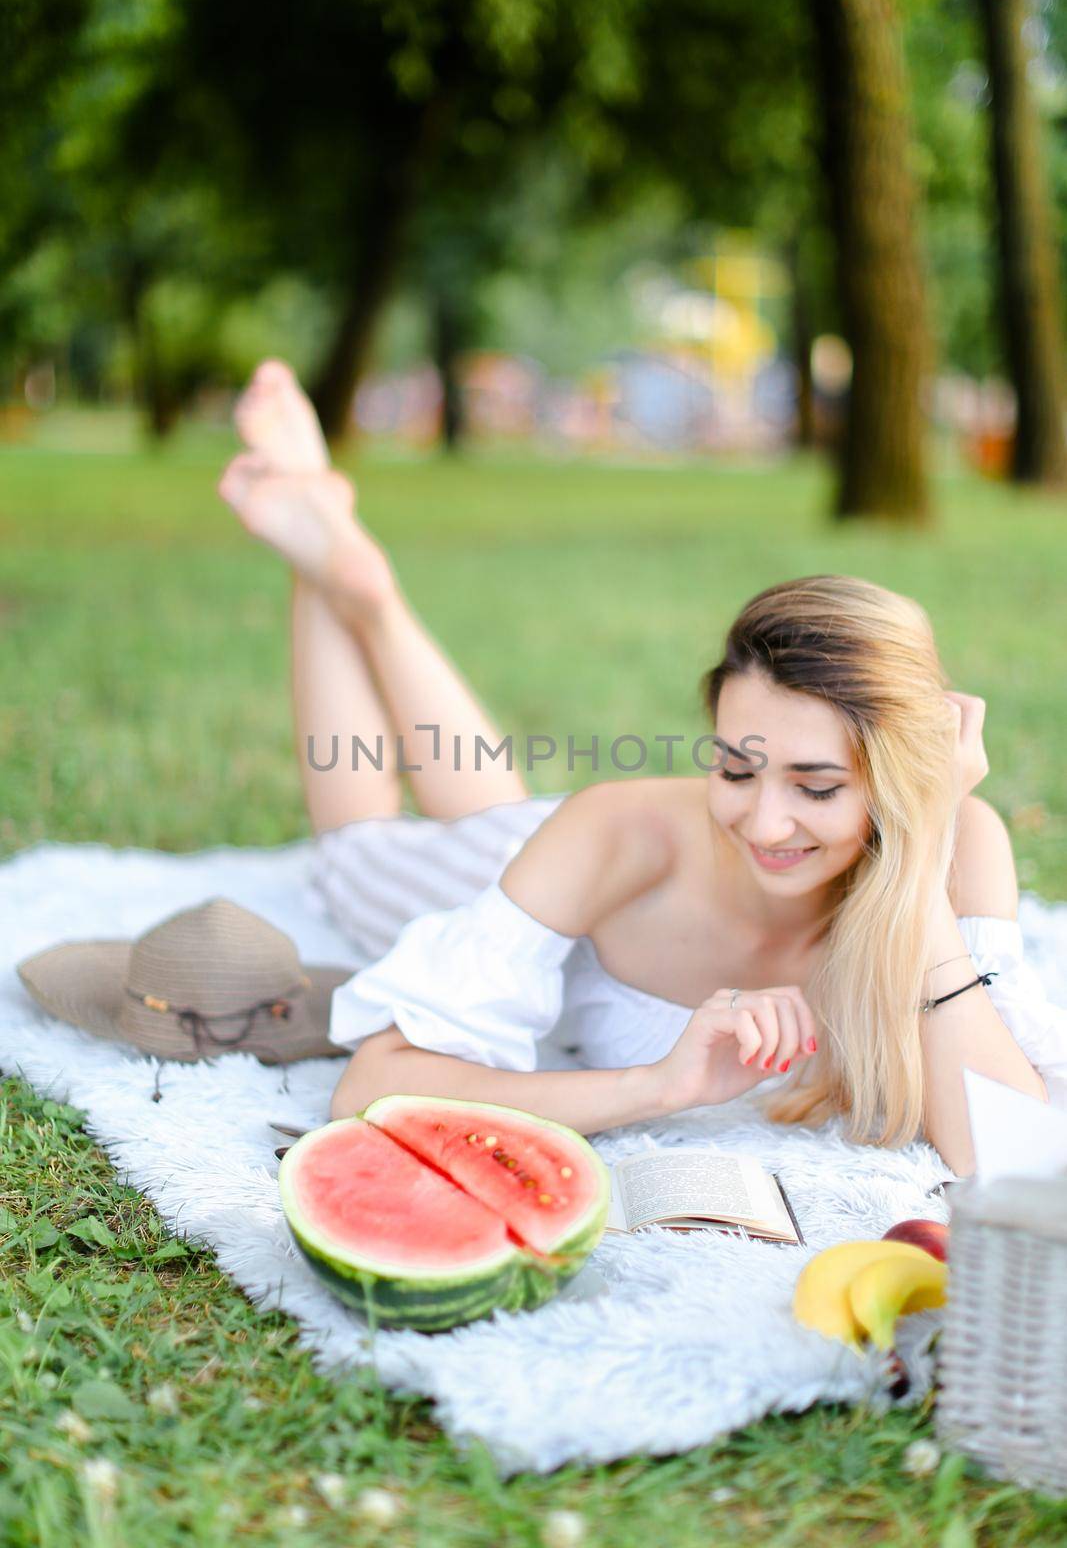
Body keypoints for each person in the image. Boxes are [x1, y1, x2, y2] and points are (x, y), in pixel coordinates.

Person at [219, 360, 1060, 1178]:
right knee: (359, 849)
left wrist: (919, 856)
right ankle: (339, 575)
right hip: (556, 861)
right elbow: (370, 1088)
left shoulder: (958, 845)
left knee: (500, 809)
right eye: (735, 770)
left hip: (576, 853)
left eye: (816, 787)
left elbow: (1010, 1154)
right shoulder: (619, 829)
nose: (765, 823)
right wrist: (657, 1087)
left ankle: (365, 587)